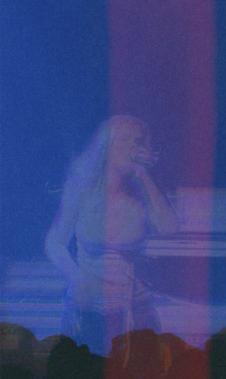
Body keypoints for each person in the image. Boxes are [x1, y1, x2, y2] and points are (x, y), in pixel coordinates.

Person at [45, 116, 178, 355]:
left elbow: (169, 227)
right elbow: (55, 242)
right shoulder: (83, 187)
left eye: (137, 141)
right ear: (106, 146)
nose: (131, 147)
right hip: (90, 307)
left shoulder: (142, 191)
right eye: (123, 140)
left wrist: (144, 177)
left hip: (135, 306)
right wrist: (76, 278)